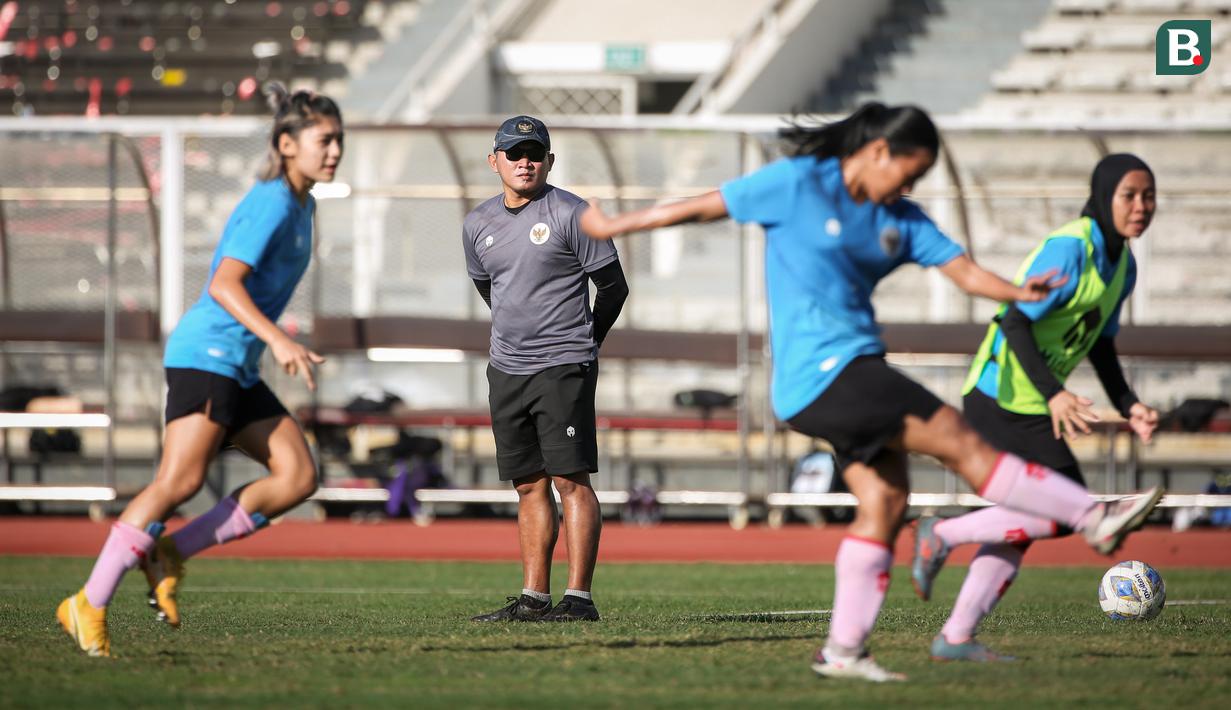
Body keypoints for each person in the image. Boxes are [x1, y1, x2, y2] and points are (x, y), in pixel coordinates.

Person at [579, 103, 1162, 682]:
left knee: (885, 503)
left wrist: (1016, 287)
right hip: (826, 372)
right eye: (908, 173)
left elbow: (962, 271)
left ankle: (843, 652)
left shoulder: (900, 219)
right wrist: (615, 227)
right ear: (877, 150)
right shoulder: (799, 184)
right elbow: (705, 207)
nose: (909, 186)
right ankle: (1091, 514)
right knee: (956, 438)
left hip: (849, 373)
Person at [57, 84, 344, 657]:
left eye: (340, 140)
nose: (335, 150)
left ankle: (172, 551)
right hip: (207, 354)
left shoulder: (304, 202)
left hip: (236, 364)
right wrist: (278, 339)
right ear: (286, 144)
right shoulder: (273, 202)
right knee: (179, 482)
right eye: (325, 140)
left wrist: (267, 344)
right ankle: (87, 602)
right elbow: (222, 283)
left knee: (297, 476)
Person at [912, 154, 1162, 662]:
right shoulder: (1070, 248)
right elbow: (1013, 322)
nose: (1140, 206)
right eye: (1129, 195)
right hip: (999, 393)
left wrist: (1129, 404)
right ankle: (942, 534)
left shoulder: (1125, 268)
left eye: (1148, 195)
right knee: (1069, 509)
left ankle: (955, 636)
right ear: (1104, 195)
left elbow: (1100, 343)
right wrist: (1054, 393)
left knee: (1037, 519)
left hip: (1032, 402)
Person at [463, 116, 629, 623]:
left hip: (563, 367)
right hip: (507, 369)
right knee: (528, 484)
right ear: (495, 161)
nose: (524, 161)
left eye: (535, 152)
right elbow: (491, 291)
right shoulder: (477, 224)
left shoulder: (572, 214)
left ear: (550, 161)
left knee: (569, 480)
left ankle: (578, 599)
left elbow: (613, 287)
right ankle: (534, 598)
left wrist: (583, 343)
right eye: (514, 153)